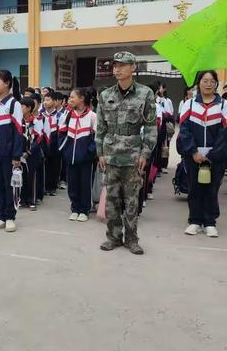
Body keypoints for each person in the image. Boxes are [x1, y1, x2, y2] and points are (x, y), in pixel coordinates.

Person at [96, 52, 157, 255]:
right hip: (111, 154)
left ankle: (132, 239)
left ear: (133, 67)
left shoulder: (145, 94)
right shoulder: (105, 95)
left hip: (133, 155)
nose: (118, 69)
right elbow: (100, 128)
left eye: (123, 65)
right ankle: (113, 237)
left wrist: (145, 153)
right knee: (112, 199)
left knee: (131, 200)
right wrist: (100, 153)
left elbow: (150, 127)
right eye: (115, 65)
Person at [178, 71, 227, 238]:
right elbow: (184, 131)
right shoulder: (189, 104)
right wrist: (193, 151)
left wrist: (213, 155)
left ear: (216, 84)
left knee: (212, 188)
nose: (208, 84)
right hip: (193, 155)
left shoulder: (223, 106)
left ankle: (210, 222)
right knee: (194, 188)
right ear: (199, 83)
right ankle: (195, 221)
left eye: (212, 81)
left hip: (216, 156)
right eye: (204, 80)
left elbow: (224, 133)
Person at [0, 70, 23, 232]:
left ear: (7, 83)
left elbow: (19, 132)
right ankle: (0, 215)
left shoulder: (14, 104)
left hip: (7, 154)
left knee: (9, 186)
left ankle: (10, 216)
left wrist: (16, 155)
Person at [58, 88, 97, 222]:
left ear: (82, 98)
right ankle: (75, 208)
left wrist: (89, 151)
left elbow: (97, 137)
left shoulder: (92, 116)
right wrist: (65, 150)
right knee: (72, 184)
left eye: (73, 97)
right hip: (70, 157)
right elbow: (61, 133)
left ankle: (84, 210)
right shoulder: (67, 115)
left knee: (85, 184)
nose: (70, 99)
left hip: (85, 158)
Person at [19, 97, 44, 211]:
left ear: (29, 108)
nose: (20, 109)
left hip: (32, 154)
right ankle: (22, 199)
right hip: (20, 153)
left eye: (22, 107)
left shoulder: (36, 121)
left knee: (32, 177)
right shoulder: (19, 121)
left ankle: (32, 200)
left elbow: (38, 139)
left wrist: (29, 151)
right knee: (21, 176)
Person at [42, 91, 62, 196]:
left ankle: (52, 187)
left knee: (54, 165)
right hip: (45, 142)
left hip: (55, 143)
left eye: (48, 100)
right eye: (44, 100)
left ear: (55, 102)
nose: (45, 102)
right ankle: (45, 186)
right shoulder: (41, 115)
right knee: (45, 165)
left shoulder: (60, 116)